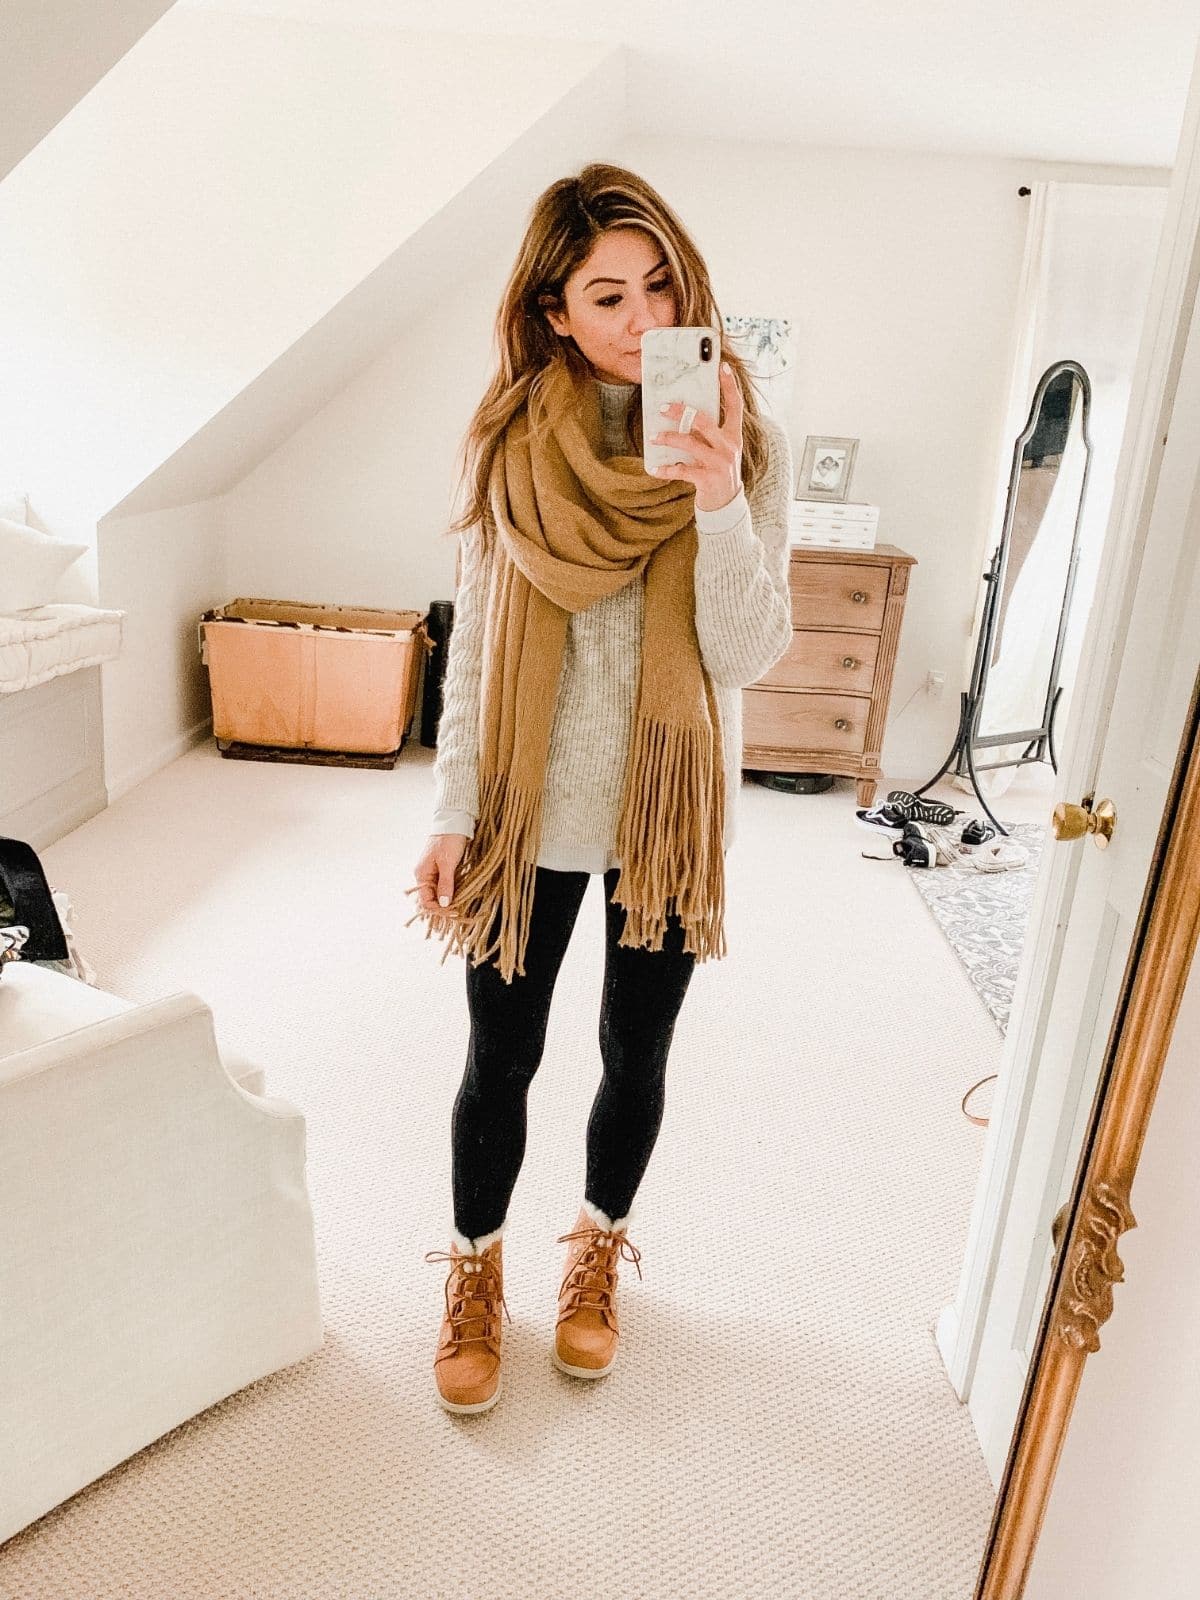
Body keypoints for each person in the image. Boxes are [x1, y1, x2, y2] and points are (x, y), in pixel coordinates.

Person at [407, 162, 794, 1414]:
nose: (640, 320)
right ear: (553, 313)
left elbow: (744, 653)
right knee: (500, 1055)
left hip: (660, 822)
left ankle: (595, 1250)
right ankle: (474, 1271)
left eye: (661, 285)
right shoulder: (510, 449)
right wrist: (452, 810)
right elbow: (474, 648)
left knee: (637, 1052)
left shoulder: (739, 433)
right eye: (607, 295)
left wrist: (723, 495)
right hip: (531, 815)